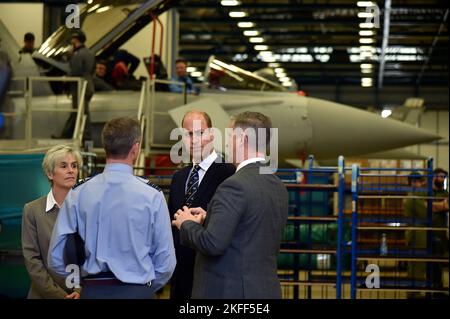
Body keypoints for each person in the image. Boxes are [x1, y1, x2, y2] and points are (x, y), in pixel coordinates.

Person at [48, 117, 176, 299]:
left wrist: (78, 284)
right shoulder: (153, 195)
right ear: (135, 149)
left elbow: (56, 257)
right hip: (138, 292)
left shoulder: (78, 194)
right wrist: (144, 288)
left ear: (105, 147)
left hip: (93, 291)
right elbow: (166, 263)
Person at [172, 111, 288, 299]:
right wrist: (210, 219)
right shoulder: (277, 185)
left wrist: (186, 223)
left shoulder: (234, 184)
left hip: (231, 292)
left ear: (242, 139)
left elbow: (212, 244)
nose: (226, 144)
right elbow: (249, 231)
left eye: (229, 137)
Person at [168, 110, 235, 299]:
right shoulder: (179, 178)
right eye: (189, 134)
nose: (194, 140)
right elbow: (171, 225)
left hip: (212, 273)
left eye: (200, 133)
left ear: (212, 134)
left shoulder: (228, 174)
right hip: (181, 275)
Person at [21, 144, 82, 299]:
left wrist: (80, 290)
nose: (71, 170)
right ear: (50, 173)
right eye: (64, 166)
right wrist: (59, 296)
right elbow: (33, 261)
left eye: (74, 166)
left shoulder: (87, 210)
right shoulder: (32, 210)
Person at [59, 30, 95, 141]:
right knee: (77, 112)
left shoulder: (79, 54)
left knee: (83, 113)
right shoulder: (88, 52)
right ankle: (65, 135)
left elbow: (76, 70)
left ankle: (87, 140)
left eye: (72, 39)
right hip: (87, 85)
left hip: (80, 87)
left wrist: (67, 78)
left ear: (76, 39)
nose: (71, 41)